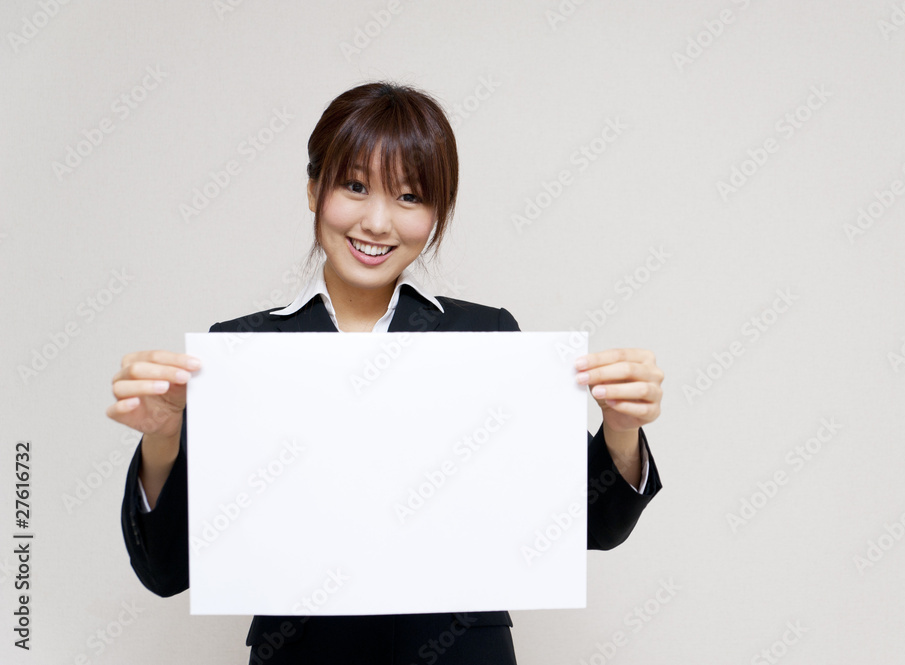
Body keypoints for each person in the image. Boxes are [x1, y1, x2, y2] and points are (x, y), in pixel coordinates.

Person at [110, 81, 664, 665]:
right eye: (354, 186)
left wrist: (621, 428)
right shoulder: (243, 351)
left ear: (437, 213)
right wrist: (162, 439)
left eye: (409, 196)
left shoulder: (484, 338)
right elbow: (166, 570)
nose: (377, 222)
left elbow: (593, 525)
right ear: (311, 189)